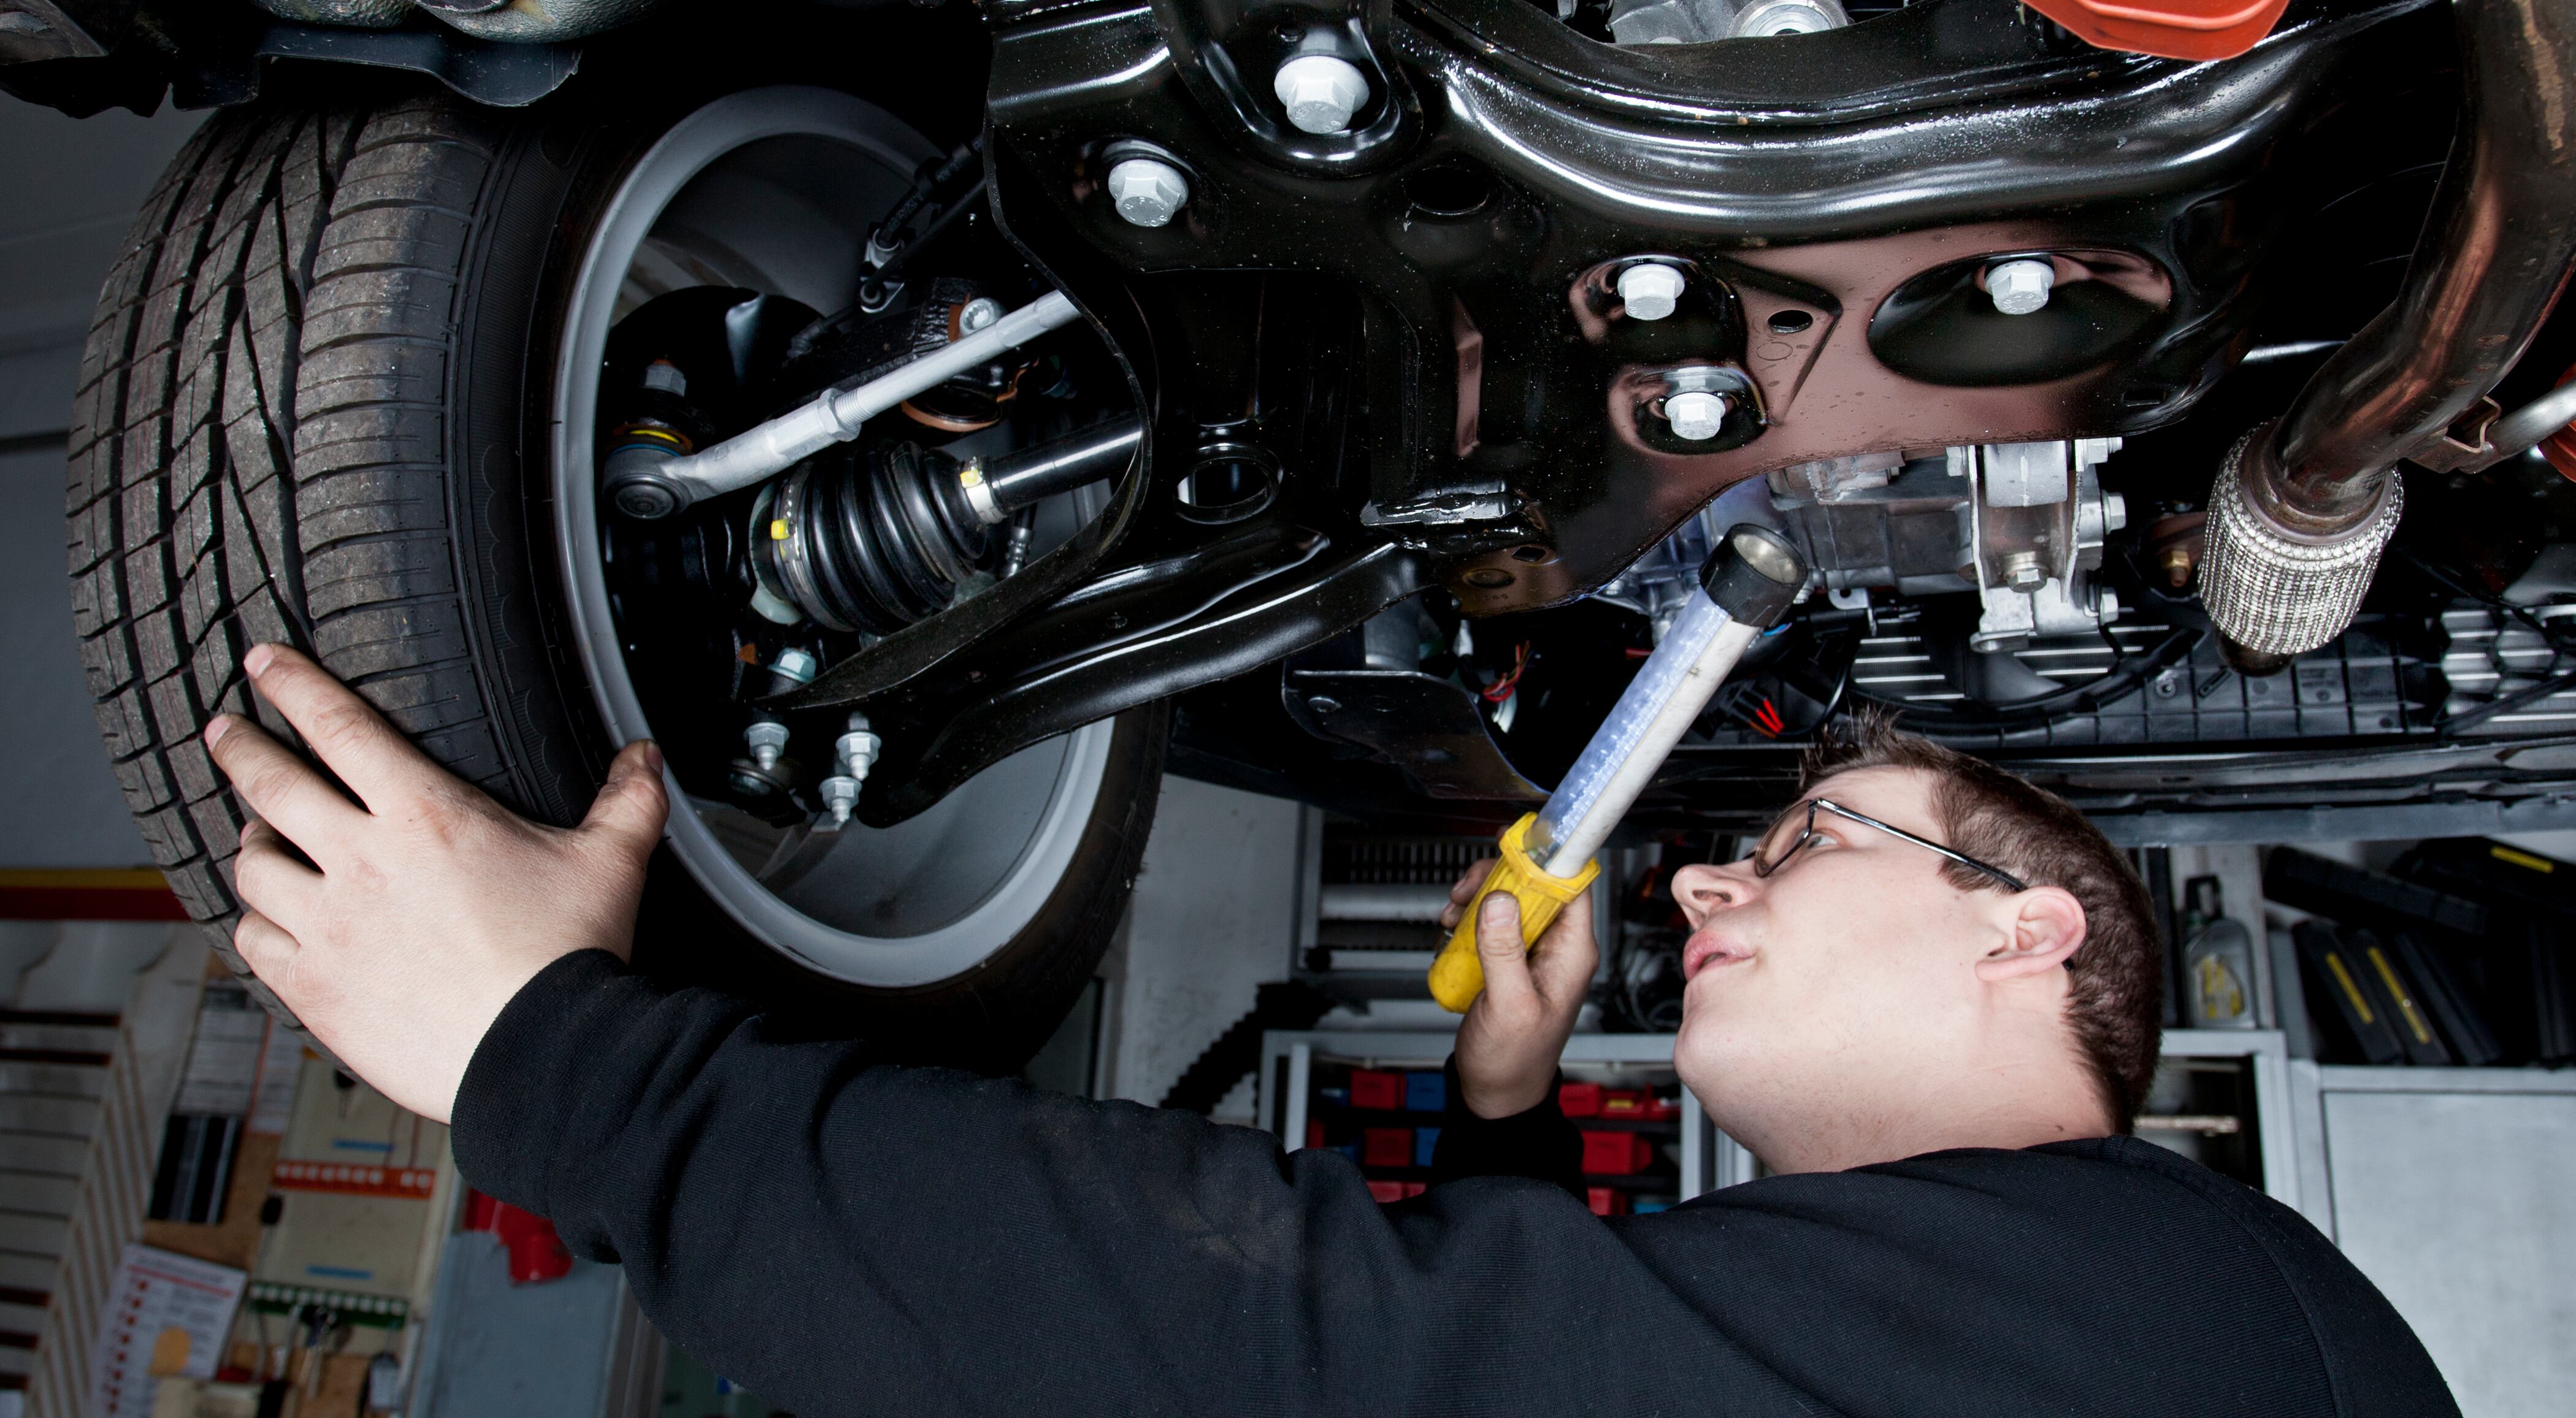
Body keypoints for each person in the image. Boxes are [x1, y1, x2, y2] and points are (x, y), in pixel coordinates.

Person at [202, 643, 2455, 1417]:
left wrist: (559, 1059)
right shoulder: (2157, 1315)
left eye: (1810, 838)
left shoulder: (2188, 1313)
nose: (1702, 881)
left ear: (2028, 936)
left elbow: (1332, 1363)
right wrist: (1510, 1106)